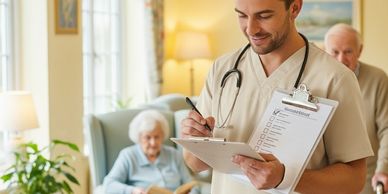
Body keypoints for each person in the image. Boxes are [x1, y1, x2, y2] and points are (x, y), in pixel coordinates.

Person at [180, 0, 374, 193]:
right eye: (241, 15)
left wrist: (285, 178)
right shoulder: (222, 69)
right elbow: (196, 164)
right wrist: (194, 138)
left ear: (295, 8)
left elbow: (354, 180)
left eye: (264, 16)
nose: (251, 29)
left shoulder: (335, 78)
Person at [324, 23, 388, 194]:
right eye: (335, 52)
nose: (341, 59)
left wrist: (383, 169)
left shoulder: (378, 79)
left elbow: (387, 129)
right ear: (325, 51)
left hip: (367, 179)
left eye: (348, 52)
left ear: (360, 50)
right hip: (325, 179)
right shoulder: (317, 80)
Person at [103, 110, 196, 194]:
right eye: (147, 137)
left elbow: (191, 184)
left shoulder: (174, 154)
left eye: (157, 137)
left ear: (163, 136)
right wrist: (133, 191)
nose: (153, 143)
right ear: (139, 137)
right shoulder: (128, 155)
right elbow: (109, 184)